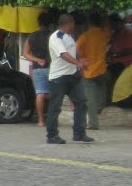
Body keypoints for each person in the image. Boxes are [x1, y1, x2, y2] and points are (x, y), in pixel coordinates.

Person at [46, 14, 92, 145]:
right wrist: (78, 63)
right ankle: (52, 135)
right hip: (59, 77)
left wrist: (80, 62)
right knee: (55, 106)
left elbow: (73, 52)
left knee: (81, 102)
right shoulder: (56, 37)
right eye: (73, 23)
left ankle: (79, 133)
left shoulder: (69, 37)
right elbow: (63, 54)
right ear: (68, 23)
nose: (74, 26)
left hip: (72, 75)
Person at [76, 11, 111, 130]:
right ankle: (100, 107)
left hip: (89, 71)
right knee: (102, 93)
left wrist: (81, 59)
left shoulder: (85, 36)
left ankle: (93, 124)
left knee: (90, 100)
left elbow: (76, 50)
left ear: (89, 22)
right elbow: (107, 27)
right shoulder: (104, 33)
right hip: (102, 70)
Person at [22, 12, 53, 127]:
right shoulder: (53, 36)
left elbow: (25, 53)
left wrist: (37, 60)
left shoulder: (32, 36)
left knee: (40, 93)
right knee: (53, 93)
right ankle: (52, 118)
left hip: (37, 68)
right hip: (52, 67)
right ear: (50, 24)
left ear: (38, 23)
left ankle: (40, 120)